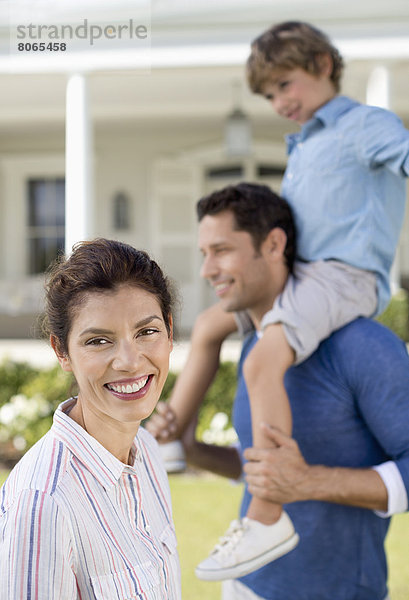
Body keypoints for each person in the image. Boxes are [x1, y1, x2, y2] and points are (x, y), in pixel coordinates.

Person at [153, 20, 409, 580]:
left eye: (285, 85)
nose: (278, 103)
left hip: (339, 277)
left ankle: (269, 516)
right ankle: (170, 442)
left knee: (266, 360)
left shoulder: (365, 126)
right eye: (269, 96)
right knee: (210, 325)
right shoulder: (309, 141)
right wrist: (193, 448)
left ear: (322, 65)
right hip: (301, 283)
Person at [148, 184, 409, 599]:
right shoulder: (256, 345)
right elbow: (259, 467)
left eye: (222, 250)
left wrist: (309, 482)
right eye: (204, 254)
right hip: (246, 586)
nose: (207, 270)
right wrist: (194, 450)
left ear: (273, 244)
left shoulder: (363, 345)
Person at [0, 239, 181, 600]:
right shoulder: (44, 503)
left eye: (146, 332)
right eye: (99, 340)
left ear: (170, 332)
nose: (130, 361)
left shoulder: (146, 451)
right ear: (62, 351)